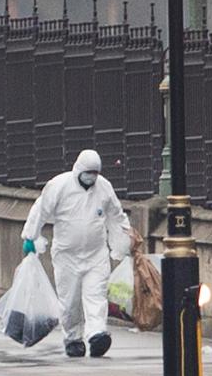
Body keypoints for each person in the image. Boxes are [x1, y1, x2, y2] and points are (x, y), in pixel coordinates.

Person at [21, 149, 131, 358]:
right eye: (88, 172)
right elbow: (41, 210)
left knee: (96, 295)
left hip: (96, 254)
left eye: (95, 173)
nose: (92, 177)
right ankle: (73, 338)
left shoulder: (104, 188)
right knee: (69, 300)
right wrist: (30, 236)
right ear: (79, 170)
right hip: (66, 255)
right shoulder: (59, 186)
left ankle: (97, 334)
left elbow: (116, 216)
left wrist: (124, 242)